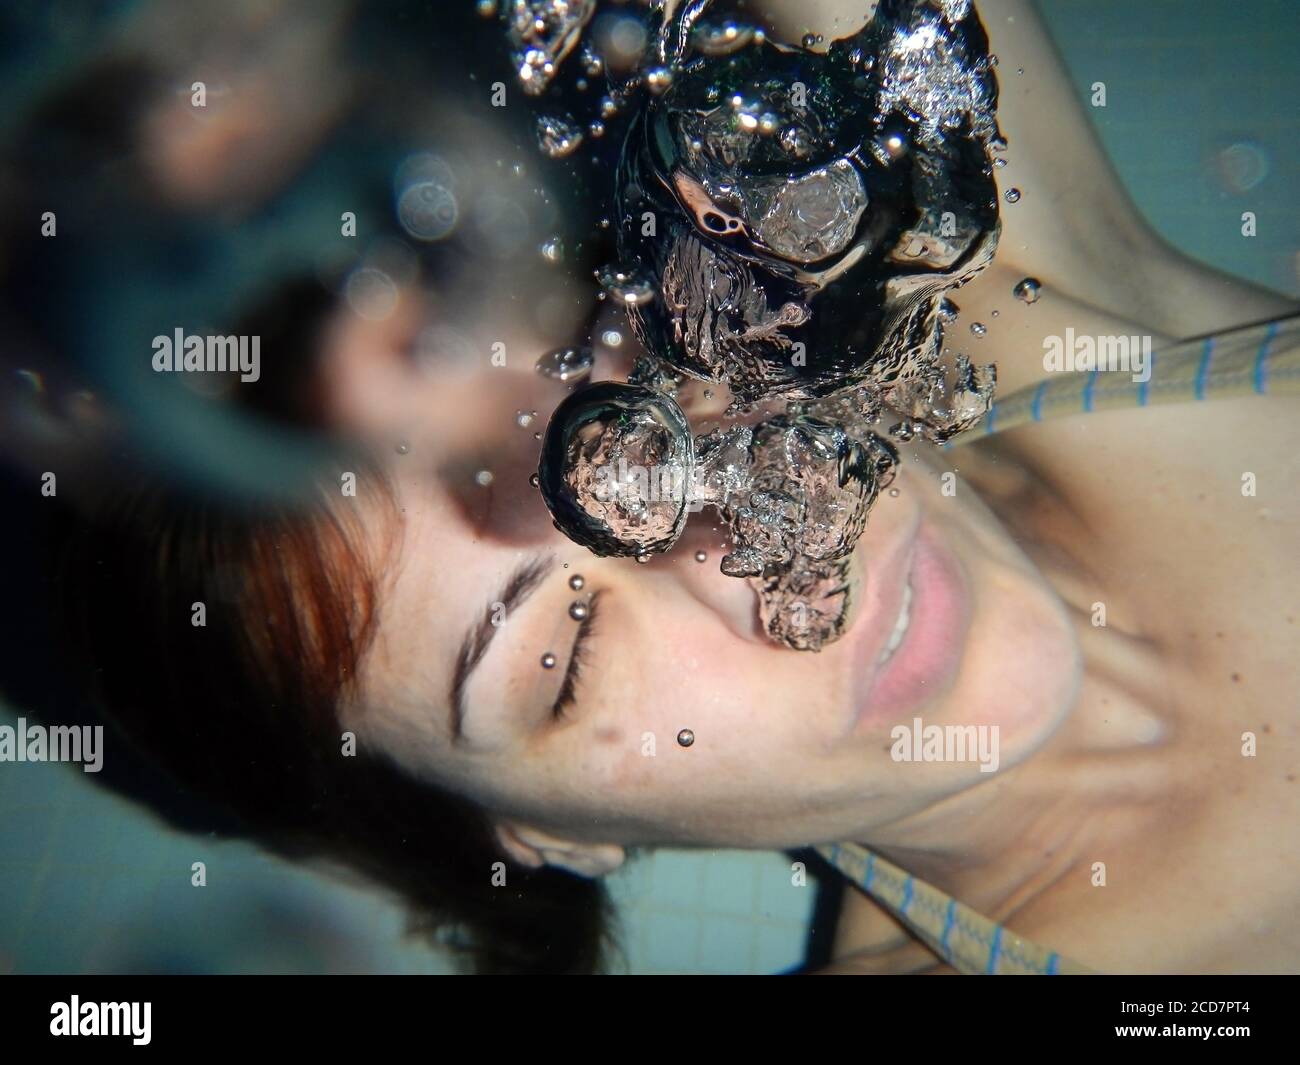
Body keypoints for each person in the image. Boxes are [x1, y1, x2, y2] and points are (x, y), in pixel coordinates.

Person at [10, 0, 1299, 974]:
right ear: (554, 841)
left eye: (637, 399)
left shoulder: (1012, 285)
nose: (731, 541)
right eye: (560, 655)